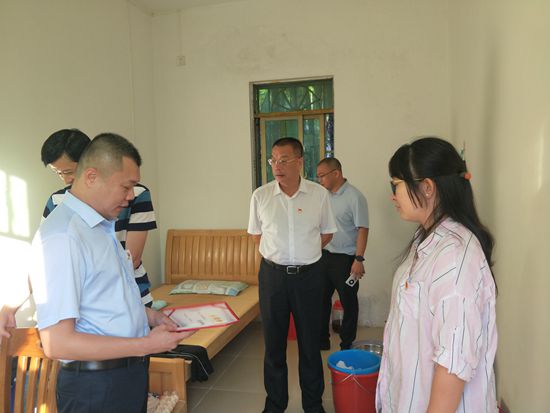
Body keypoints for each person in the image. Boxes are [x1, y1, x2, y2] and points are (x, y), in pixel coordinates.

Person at [28, 133, 192, 413]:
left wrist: (150, 316)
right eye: (126, 187)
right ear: (92, 176)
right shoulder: (63, 237)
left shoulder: (100, 227)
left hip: (123, 375)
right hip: (96, 387)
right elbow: (58, 343)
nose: (130, 197)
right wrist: (145, 345)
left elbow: (107, 298)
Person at [376, 137, 498, 413]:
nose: (393, 196)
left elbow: (452, 364)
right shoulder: (427, 238)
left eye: (395, 185)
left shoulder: (454, 258)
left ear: (427, 187)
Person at [248, 137, 337, 413]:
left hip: (310, 277)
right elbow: (257, 236)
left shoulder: (318, 195)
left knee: (310, 345)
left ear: (299, 162)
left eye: (284, 160)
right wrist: (281, 256)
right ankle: (275, 404)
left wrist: (303, 252)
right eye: (273, 160)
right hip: (272, 277)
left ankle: (313, 405)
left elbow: (327, 233)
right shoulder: (260, 196)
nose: (277, 166)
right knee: (274, 346)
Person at [41, 128, 157, 306]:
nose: (66, 180)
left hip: (130, 295)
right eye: (58, 173)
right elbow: (48, 257)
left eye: (69, 172)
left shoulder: (134, 195)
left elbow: (131, 259)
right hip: (86, 303)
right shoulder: (57, 202)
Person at [316, 157, 369, 350]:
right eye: (318, 176)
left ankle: (346, 344)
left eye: (322, 175)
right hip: (324, 256)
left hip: (346, 260)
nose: (320, 180)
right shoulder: (323, 196)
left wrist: (359, 259)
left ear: (336, 173)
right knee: (321, 300)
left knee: (348, 303)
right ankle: (322, 340)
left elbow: (363, 229)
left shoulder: (355, 197)